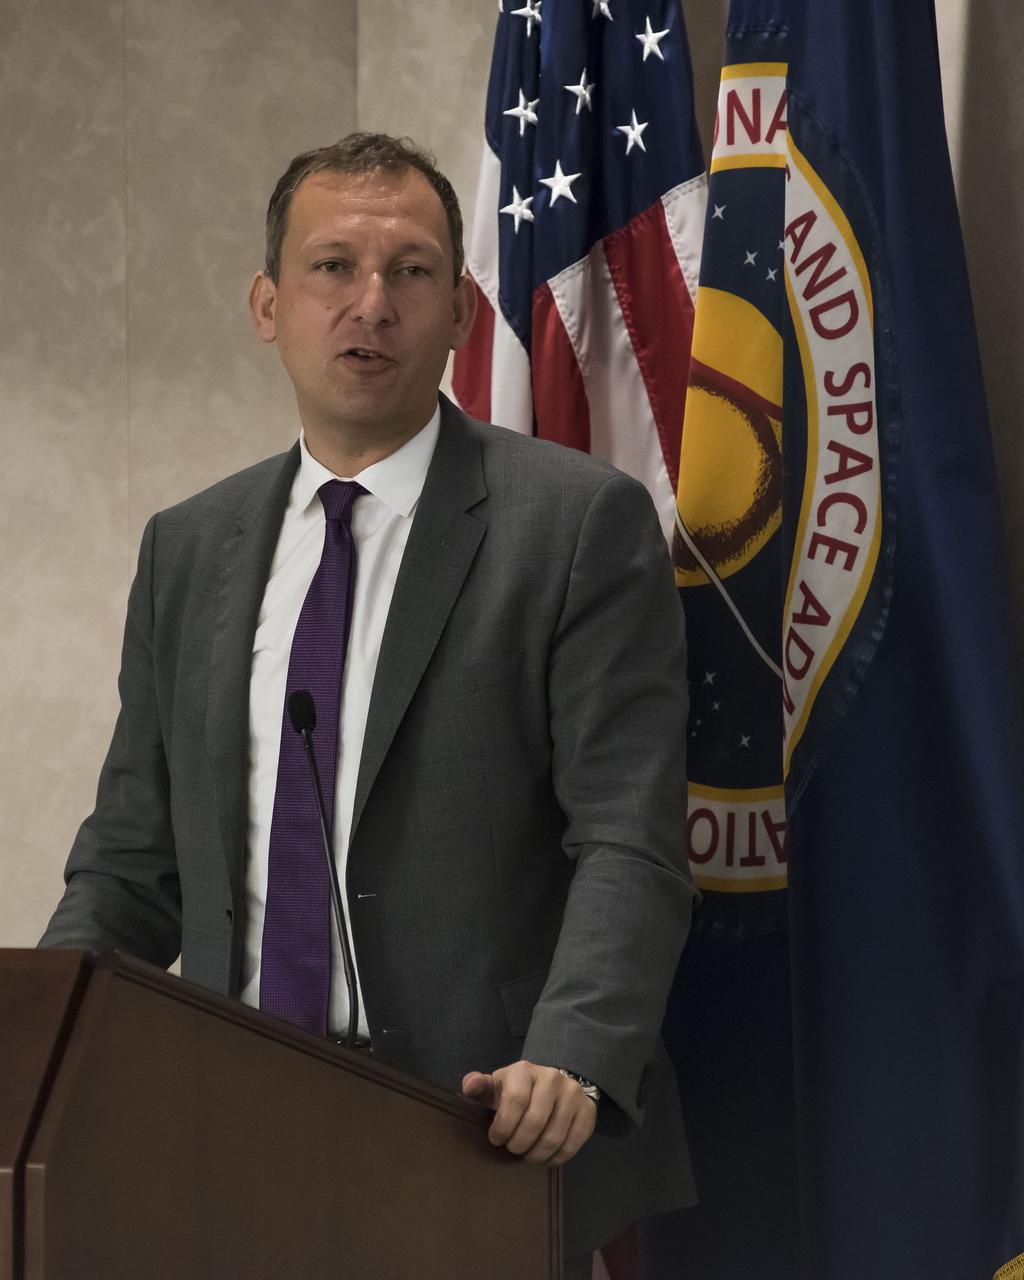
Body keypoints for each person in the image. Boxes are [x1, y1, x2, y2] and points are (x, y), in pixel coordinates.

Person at [40, 133, 697, 1276]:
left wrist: (574, 1056)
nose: (371, 304)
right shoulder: (189, 547)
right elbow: (134, 862)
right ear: (268, 303)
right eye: (332, 267)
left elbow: (629, 838)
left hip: (482, 1130)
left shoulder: (574, 524)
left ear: (457, 310)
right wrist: (31, 1051)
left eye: (411, 271)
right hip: (222, 1128)